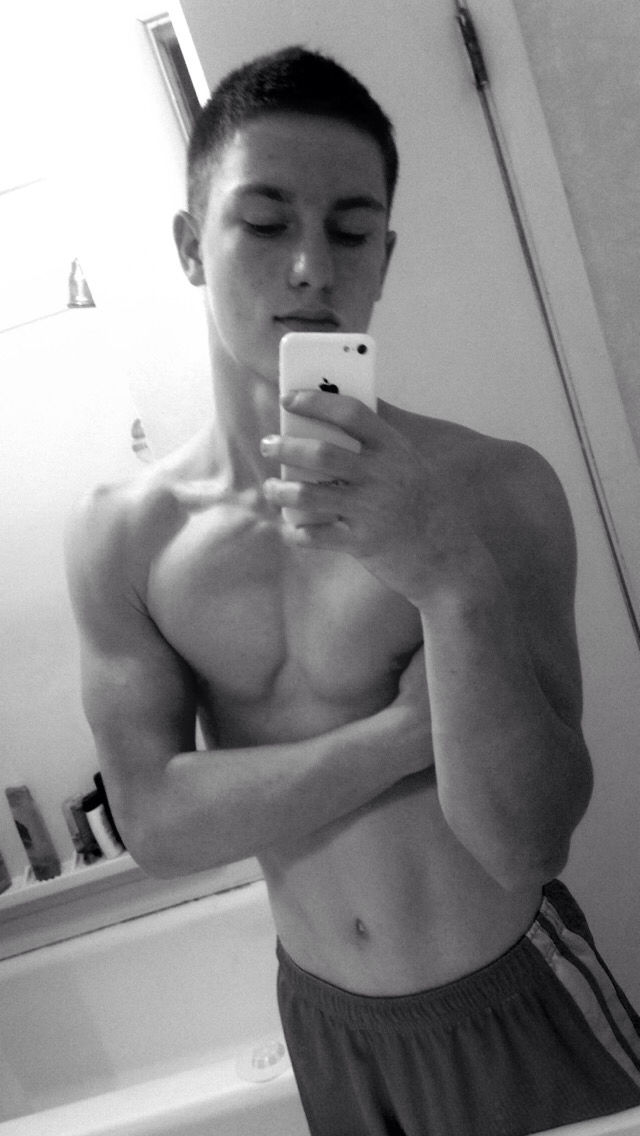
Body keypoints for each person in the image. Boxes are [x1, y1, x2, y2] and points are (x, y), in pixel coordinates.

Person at [65, 46, 640, 1136]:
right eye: (263, 222)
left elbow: (526, 842)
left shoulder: (495, 489)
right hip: (328, 1027)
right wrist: (399, 735)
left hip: (515, 1003)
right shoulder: (127, 537)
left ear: (384, 256)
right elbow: (158, 825)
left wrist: (450, 579)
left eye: (349, 230)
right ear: (190, 245)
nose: (309, 268)